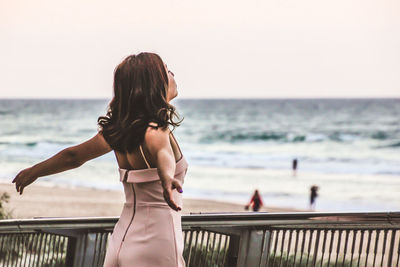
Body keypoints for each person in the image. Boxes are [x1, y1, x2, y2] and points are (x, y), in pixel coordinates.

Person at [12, 52, 188, 267]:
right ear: (154, 82)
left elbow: (73, 156)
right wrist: (166, 177)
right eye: (167, 70)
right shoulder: (156, 129)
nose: (172, 73)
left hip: (122, 239)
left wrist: (34, 171)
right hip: (157, 242)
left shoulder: (118, 132)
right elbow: (163, 153)